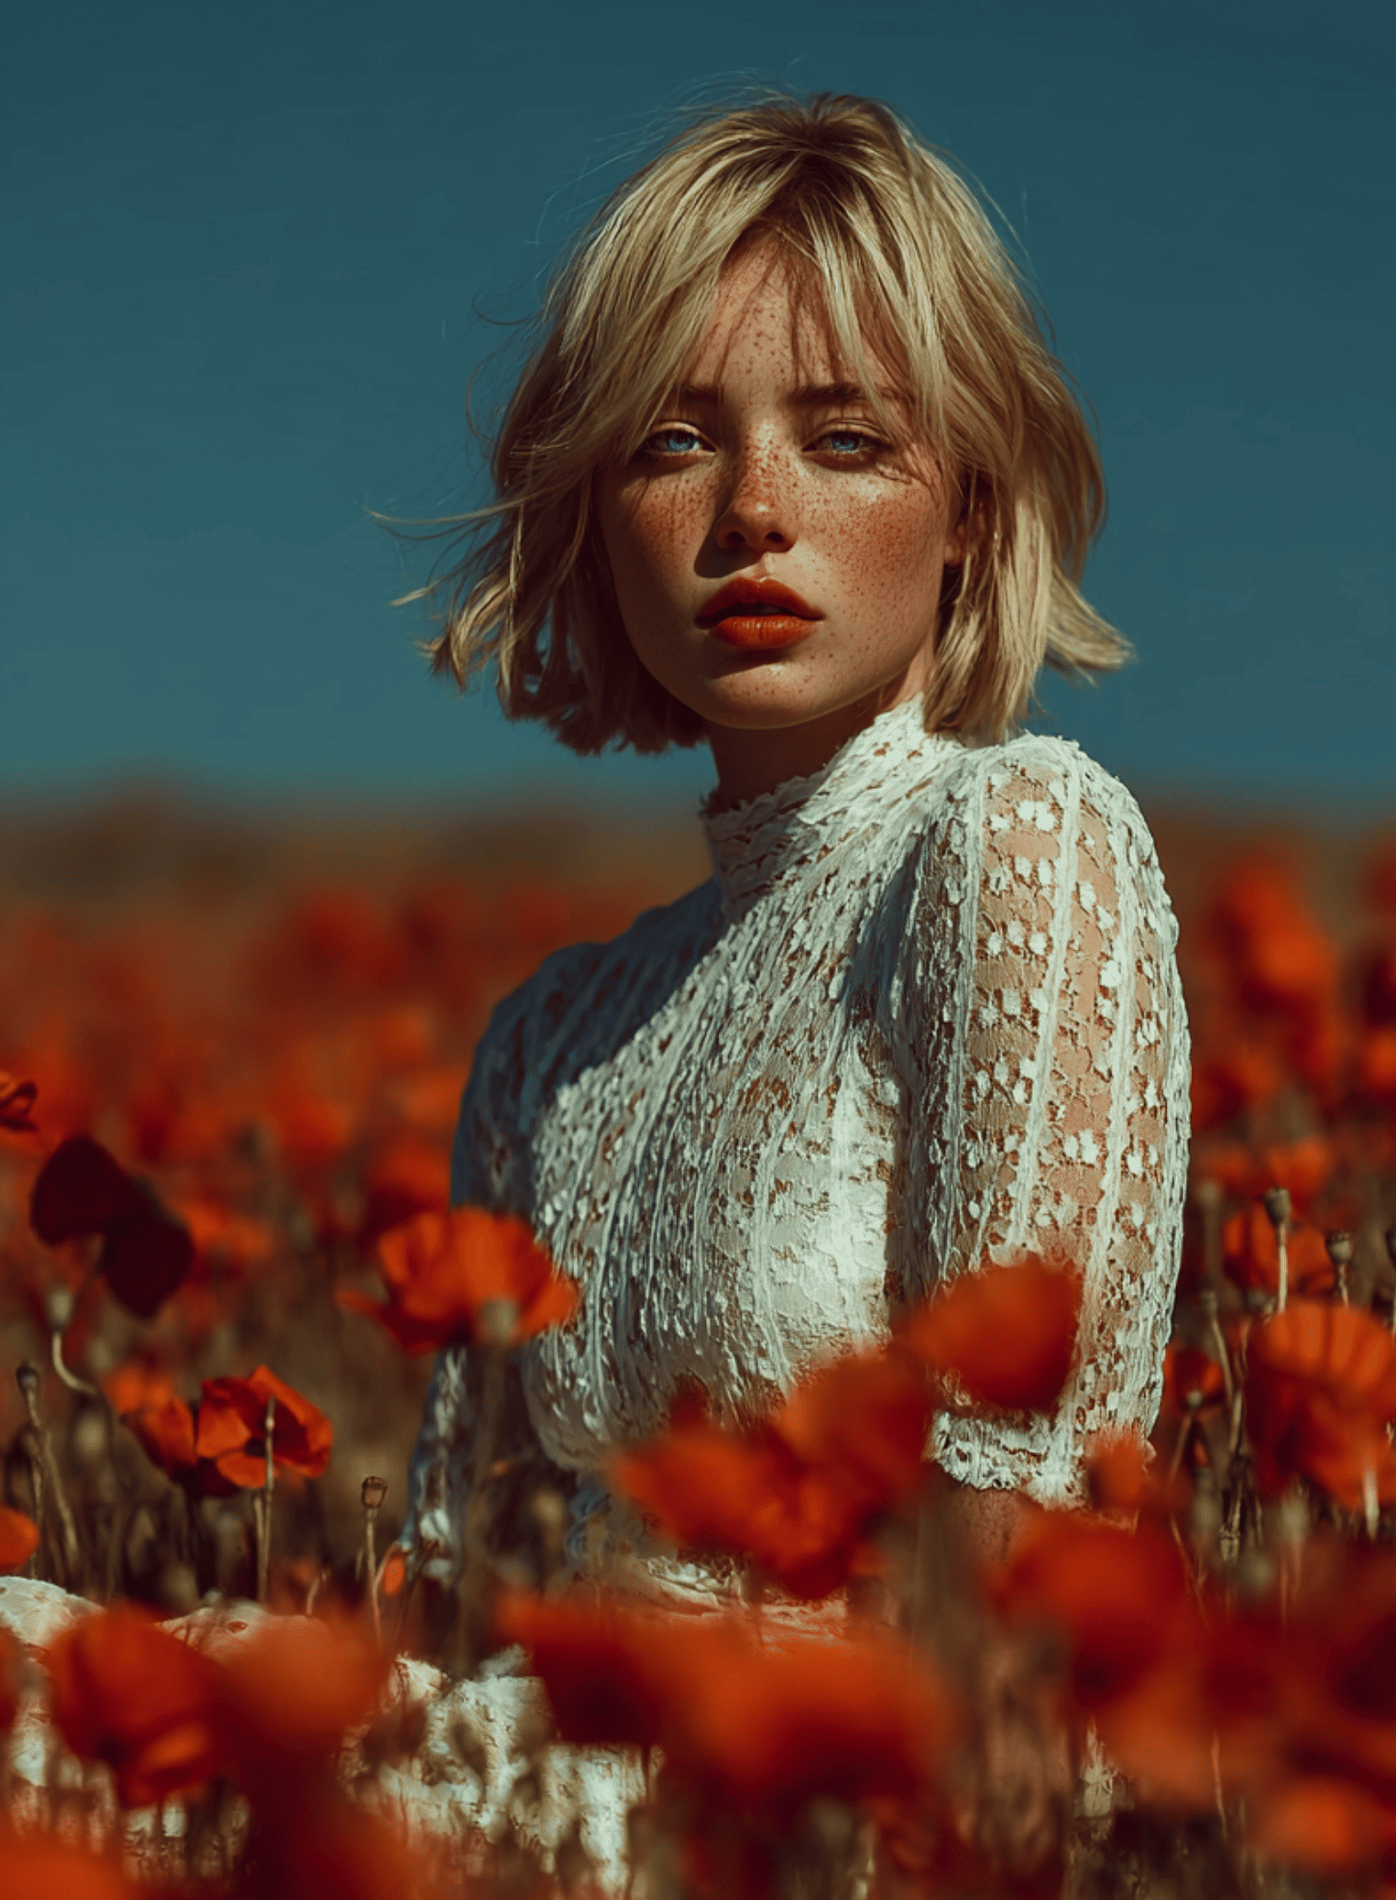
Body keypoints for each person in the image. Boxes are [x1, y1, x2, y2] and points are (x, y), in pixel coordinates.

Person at [401, 91, 1189, 1627]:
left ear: (969, 505)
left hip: (846, 1810)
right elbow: (455, 1591)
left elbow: (1012, 1584)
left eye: (843, 440)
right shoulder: (551, 1037)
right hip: (553, 1786)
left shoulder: (1015, 842)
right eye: (675, 441)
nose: (753, 511)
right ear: (594, 514)